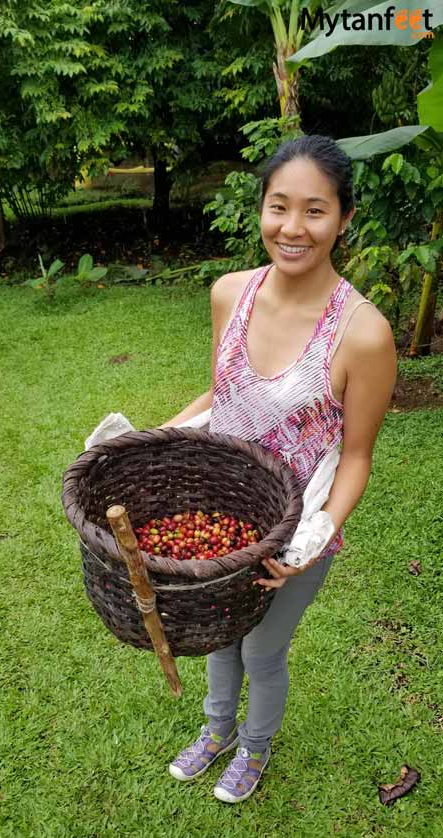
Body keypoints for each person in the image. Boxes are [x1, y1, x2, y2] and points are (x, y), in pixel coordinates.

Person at [159, 135, 397, 803]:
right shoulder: (229, 292)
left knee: (261, 650)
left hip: (294, 531)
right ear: (260, 209)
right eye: (279, 207)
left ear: (345, 219)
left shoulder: (363, 332)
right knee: (216, 630)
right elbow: (221, 394)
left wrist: (313, 536)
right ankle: (216, 731)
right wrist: (158, 436)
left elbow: (355, 457)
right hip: (221, 515)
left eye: (315, 211)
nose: (293, 228)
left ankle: (254, 749)